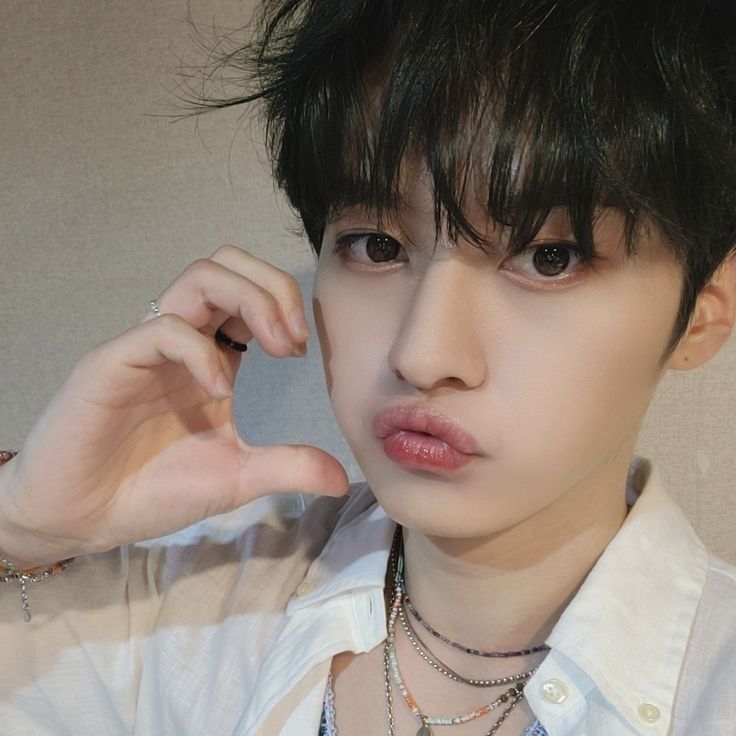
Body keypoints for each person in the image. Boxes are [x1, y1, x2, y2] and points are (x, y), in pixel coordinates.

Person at [1, 0, 736, 734]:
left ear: (702, 314)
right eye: (376, 246)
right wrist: (23, 524)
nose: (422, 355)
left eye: (550, 258)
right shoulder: (185, 598)